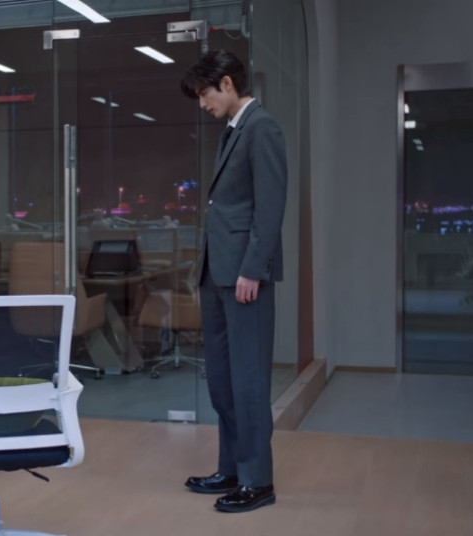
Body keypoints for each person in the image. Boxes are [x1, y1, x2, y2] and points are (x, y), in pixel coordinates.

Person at [179, 50, 287, 513]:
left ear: (226, 83)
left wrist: (253, 269)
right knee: (222, 380)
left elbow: (270, 206)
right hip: (218, 273)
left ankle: (258, 481)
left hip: (244, 275)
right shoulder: (232, 131)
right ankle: (232, 468)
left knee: (248, 380)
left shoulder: (262, 127)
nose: (202, 103)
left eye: (204, 93)